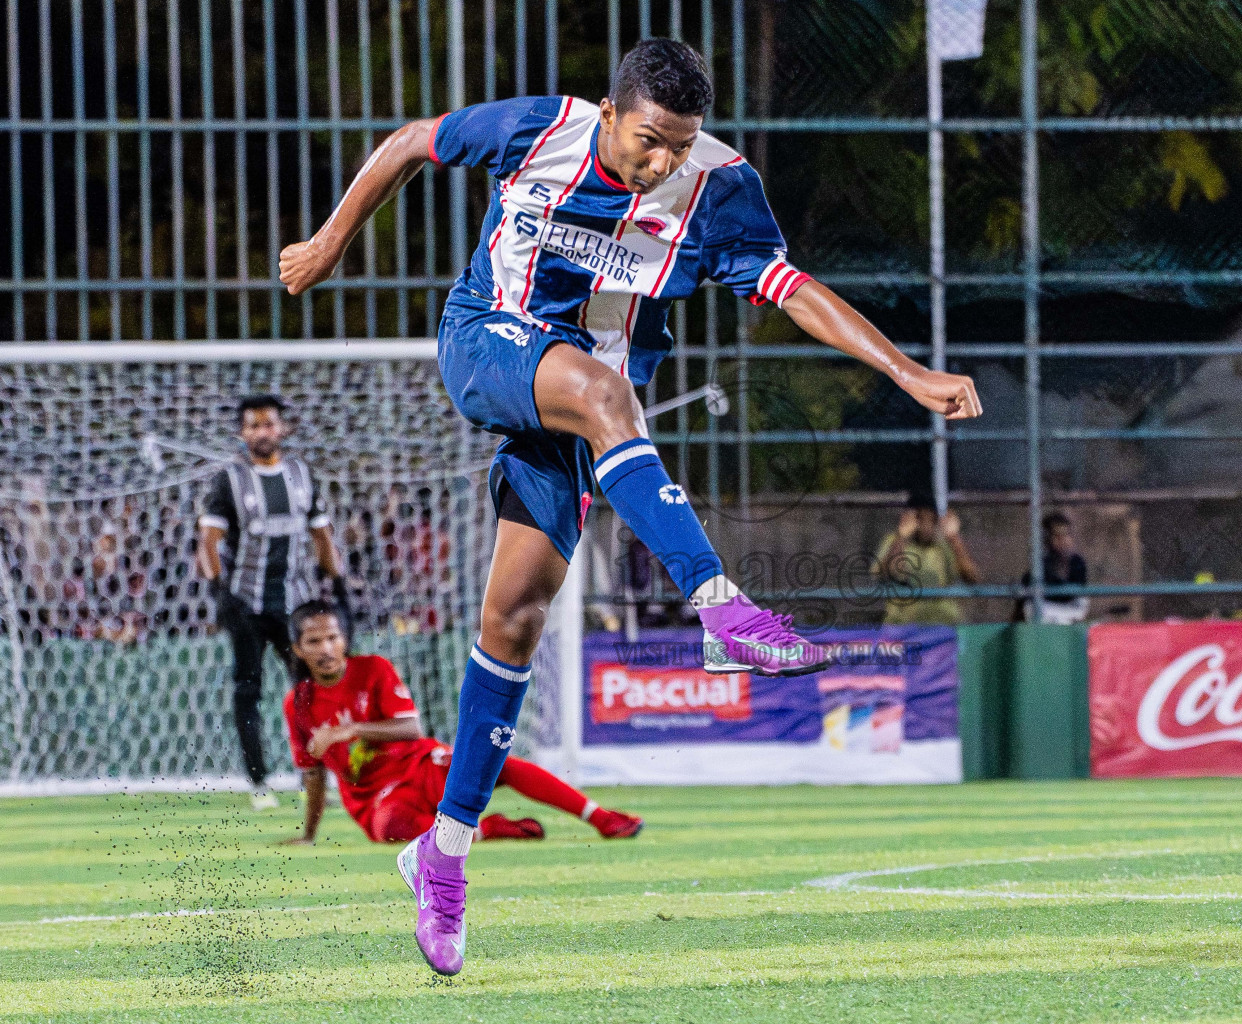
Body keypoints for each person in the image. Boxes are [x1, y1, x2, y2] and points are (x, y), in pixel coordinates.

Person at [278, 39, 981, 975]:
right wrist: (331, 241)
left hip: (585, 404)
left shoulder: (720, 186)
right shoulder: (543, 131)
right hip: (490, 340)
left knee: (516, 619)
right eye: (650, 141)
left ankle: (441, 856)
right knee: (613, 402)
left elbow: (791, 288)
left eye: (680, 146)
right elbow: (410, 142)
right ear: (610, 113)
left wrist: (907, 371)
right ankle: (721, 606)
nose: (663, 164)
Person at [281, 600, 642, 846]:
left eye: (333, 638)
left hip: (420, 766)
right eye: (314, 641)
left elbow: (410, 729)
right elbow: (313, 774)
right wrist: (309, 833)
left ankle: (602, 818)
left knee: (500, 764)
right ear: (298, 650)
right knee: (392, 829)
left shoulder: (373, 669)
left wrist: (353, 730)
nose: (326, 648)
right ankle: (488, 829)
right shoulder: (298, 704)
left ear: (344, 640)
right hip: (375, 797)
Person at [197, 394, 343, 812]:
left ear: (282, 429)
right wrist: (218, 592)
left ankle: (312, 778)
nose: (262, 432)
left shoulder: (300, 475)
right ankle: (258, 782)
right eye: (253, 425)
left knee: (309, 691)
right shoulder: (230, 479)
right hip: (246, 602)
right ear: (242, 433)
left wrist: (337, 583)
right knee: (248, 689)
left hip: (295, 605)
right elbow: (208, 540)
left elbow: (321, 533)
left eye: (269, 424)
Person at [875, 494, 981, 626]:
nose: (926, 525)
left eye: (933, 518)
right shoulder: (894, 540)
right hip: (903, 626)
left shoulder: (948, 544)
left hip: (944, 624)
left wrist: (954, 538)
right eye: (920, 518)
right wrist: (901, 537)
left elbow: (973, 578)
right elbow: (889, 573)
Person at [1014, 511, 1090, 625]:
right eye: (1056, 535)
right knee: (1031, 608)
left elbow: (1076, 597)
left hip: (1070, 610)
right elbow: (1029, 590)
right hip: (1047, 611)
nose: (1062, 540)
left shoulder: (1077, 562)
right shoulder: (1041, 563)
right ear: (1047, 539)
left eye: (1066, 534)